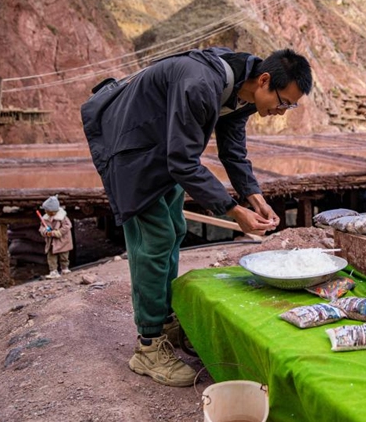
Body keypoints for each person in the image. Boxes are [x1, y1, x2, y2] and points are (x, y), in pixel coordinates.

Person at [81, 47, 313, 387]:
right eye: (283, 102)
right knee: (154, 240)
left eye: (289, 106)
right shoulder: (201, 84)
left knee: (174, 229)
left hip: (165, 149)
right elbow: (183, 162)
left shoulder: (243, 90)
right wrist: (234, 212)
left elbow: (232, 150)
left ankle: (163, 321)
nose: (281, 111)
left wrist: (255, 198)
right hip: (131, 145)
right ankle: (148, 346)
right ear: (264, 80)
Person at [39, 195, 73, 279]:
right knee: (51, 257)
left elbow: (67, 226)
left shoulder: (62, 217)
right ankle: (53, 271)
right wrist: (46, 232)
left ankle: (64, 268)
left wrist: (59, 232)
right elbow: (41, 228)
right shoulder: (45, 218)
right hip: (51, 242)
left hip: (62, 241)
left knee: (64, 256)